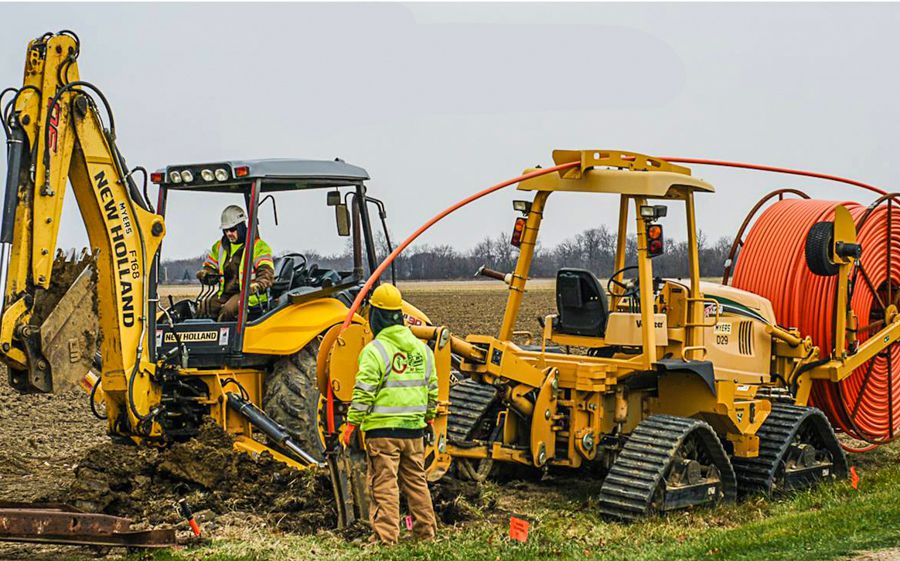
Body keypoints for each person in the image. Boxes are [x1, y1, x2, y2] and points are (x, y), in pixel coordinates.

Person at [341, 284, 439, 544]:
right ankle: (425, 534)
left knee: (384, 485)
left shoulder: (375, 351)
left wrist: (351, 425)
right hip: (414, 431)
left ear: (376, 315)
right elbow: (433, 390)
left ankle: (385, 539)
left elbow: (363, 392)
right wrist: (428, 417)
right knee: (417, 483)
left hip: (382, 433)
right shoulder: (422, 350)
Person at [196, 205, 274, 321]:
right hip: (226, 293)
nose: (229, 234)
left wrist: (258, 285)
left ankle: (225, 338)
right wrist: (206, 274)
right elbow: (211, 266)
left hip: (250, 295)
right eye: (226, 230)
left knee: (227, 311)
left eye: (232, 229)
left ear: (241, 227)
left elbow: (266, 273)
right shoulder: (220, 247)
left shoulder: (258, 247)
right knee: (203, 308)